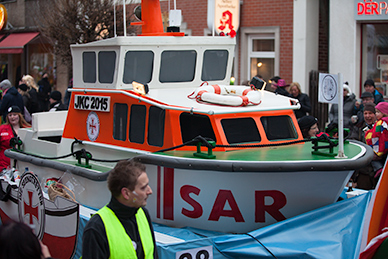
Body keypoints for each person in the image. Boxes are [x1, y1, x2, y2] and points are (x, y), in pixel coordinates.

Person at [82, 160, 158, 259]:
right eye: (143, 188)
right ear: (126, 193)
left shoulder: (143, 214)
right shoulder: (97, 227)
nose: (150, 191)